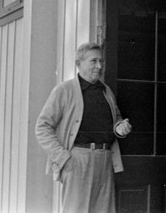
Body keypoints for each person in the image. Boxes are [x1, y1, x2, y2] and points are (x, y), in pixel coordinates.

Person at [35, 42, 132, 213]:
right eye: (93, 61)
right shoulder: (64, 91)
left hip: (105, 160)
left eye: (101, 61)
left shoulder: (106, 91)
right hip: (78, 160)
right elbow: (42, 127)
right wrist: (64, 157)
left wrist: (120, 128)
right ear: (79, 64)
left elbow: (115, 120)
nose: (99, 66)